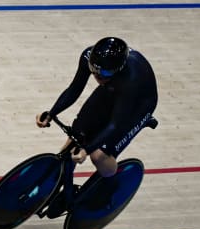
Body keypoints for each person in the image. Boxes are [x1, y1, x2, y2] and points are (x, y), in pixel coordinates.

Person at [37, 36, 157, 216]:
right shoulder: (89, 58)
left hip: (137, 104)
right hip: (112, 90)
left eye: (104, 74)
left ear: (118, 69)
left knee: (98, 155)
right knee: (77, 135)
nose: (98, 77)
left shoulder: (130, 78)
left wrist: (87, 149)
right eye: (94, 71)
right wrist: (52, 113)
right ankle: (58, 181)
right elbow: (74, 89)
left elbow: (115, 124)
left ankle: (109, 186)